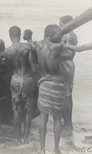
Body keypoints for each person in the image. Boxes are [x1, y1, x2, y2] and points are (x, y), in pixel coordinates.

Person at [3, 26, 37, 145]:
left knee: (16, 110)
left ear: (10, 35)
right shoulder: (27, 47)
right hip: (27, 79)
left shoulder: (6, 51)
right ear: (20, 33)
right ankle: (26, 138)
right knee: (28, 110)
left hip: (15, 79)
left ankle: (18, 140)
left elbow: (8, 69)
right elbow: (33, 66)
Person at [35, 25, 65, 154]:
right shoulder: (57, 47)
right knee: (57, 118)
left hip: (44, 83)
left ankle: (42, 149)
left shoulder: (38, 46)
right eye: (58, 33)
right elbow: (65, 43)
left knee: (43, 118)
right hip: (56, 84)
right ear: (49, 34)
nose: (61, 35)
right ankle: (56, 149)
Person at [59, 15, 78, 136]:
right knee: (66, 95)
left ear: (67, 24)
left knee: (66, 96)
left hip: (66, 65)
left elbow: (69, 54)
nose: (60, 27)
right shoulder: (70, 35)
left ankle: (67, 124)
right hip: (66, 65)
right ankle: (67, 122)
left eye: (61, 25)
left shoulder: (69, 35)